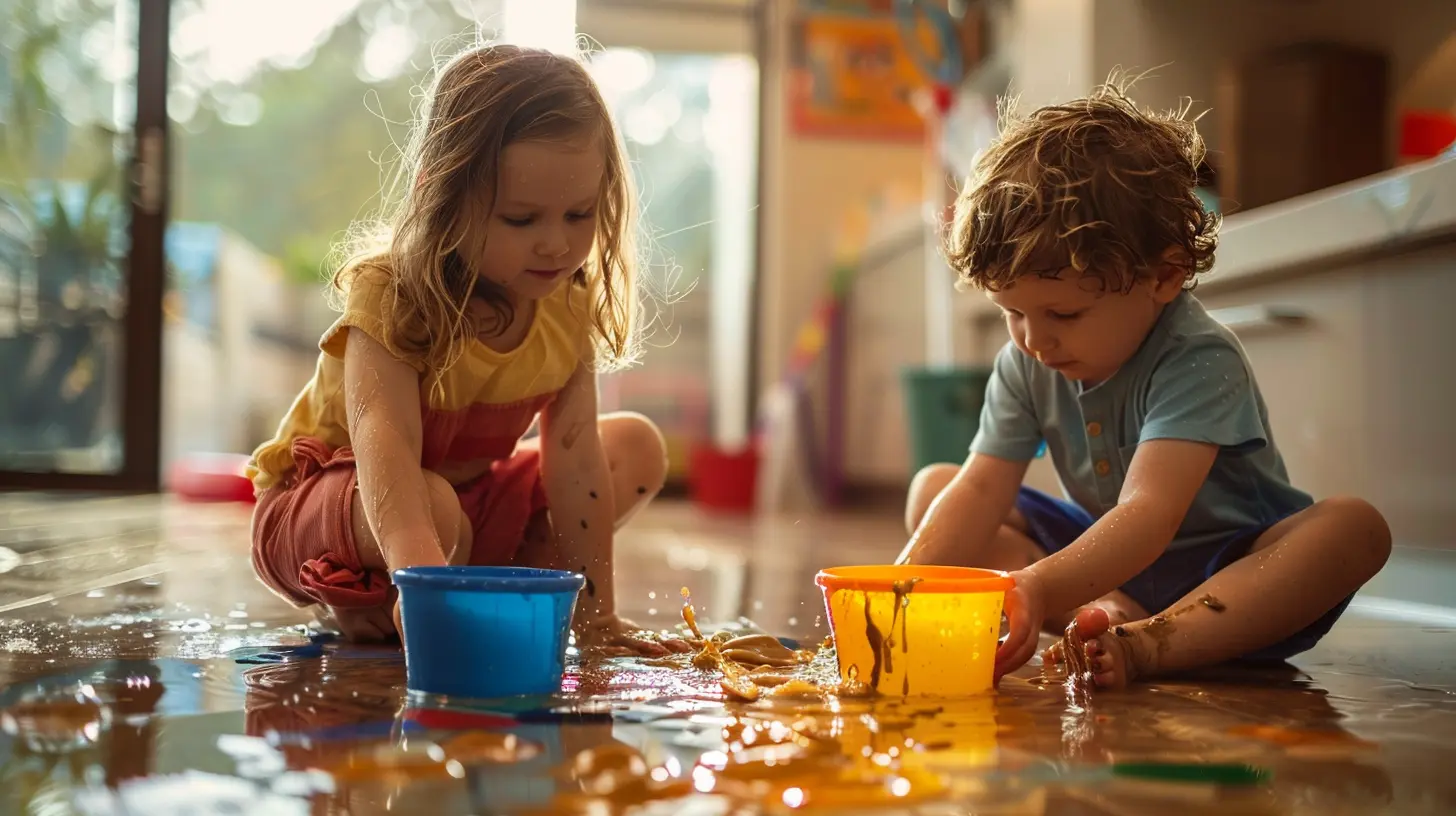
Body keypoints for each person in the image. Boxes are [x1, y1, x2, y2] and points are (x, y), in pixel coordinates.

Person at [898, 82, 1391, 689]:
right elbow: (981, 488)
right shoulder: (1025, 359)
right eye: (1012, 312)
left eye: (1063, 314)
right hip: (1110, 561)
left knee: (1354, 528)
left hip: (1228, 571)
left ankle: (1152, 643)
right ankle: (1102, 614)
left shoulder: (1197, 357)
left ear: (1164, 276)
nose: (1034, 340)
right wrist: (895, 593)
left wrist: (1040, 583)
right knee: (937, 489)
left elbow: (1148, 513)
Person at [247, 43, 685, 655]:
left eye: (579, 213)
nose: (556, 245)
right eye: (521, 219)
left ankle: (507, 595)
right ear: (444, 197)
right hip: (330, 506)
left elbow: (575, 456)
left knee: (632, 447)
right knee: (433, 505)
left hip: (458, 510)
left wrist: (598, 616)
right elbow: (386, 443)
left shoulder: (567, 303)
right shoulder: (392, 292)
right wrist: (422, 584)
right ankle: (390, 594)